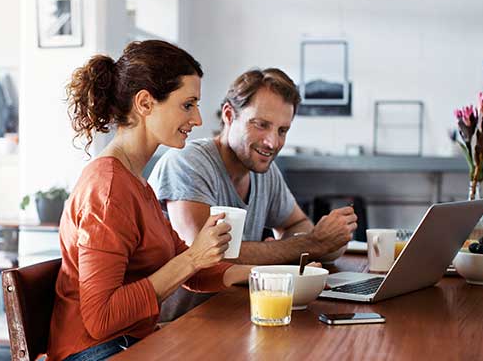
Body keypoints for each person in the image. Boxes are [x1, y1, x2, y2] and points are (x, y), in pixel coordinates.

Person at [47, 40, 251, 361]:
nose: (197, 119)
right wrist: (194, 258)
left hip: (129, 343)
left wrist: (273, 277)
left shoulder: (135, 181)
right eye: (188, 105)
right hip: (94, 352)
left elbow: (192, 271)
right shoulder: (108, 189)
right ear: (145, 103)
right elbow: (101, 319)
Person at [148, 68, 357, 320]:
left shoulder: (263, 170)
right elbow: (206, 255)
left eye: (282, 130)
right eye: (261, 125)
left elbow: (297, 223)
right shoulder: (187, 162)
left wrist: (288, 247)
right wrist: (311, 244)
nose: (272, 142)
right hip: (179, 326)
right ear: (228, 115)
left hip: (235, 314)